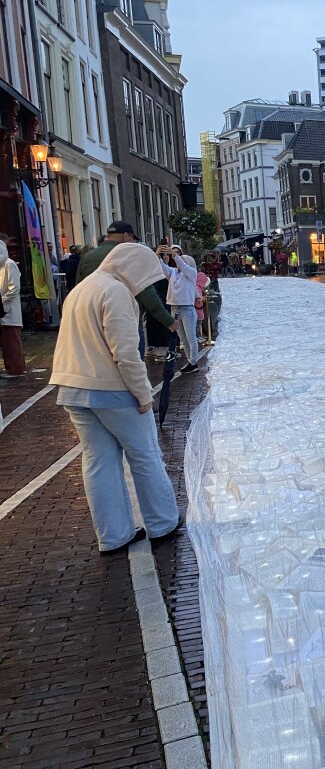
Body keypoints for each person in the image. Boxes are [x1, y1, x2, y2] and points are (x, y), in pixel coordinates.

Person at [49, 242, 181, 553]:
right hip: (111, 388)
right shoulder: (116, 291)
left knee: (98, 461)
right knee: (145, 454)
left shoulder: (81, 290)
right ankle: (163, 522)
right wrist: (143, 394)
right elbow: (125, 353)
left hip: (73, 386)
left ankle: (113, 535)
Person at [78, 222, 177, 354]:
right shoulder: (130, 257)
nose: (133, 243)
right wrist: (169, 321)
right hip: (126, 320)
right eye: (132, 238)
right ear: (125, 236)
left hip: (96, 321)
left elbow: (78, 290)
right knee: (132, 364)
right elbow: (146, 292)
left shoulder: (87, 257)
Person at [158, 244, 200, 374]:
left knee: (191, 337)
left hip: (187, 308)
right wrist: (157, 256)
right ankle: (190, 361)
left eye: (184, 260)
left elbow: (183, 265)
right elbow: (163, 268)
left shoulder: (191, 273)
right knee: (182, 338)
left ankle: (194, 362)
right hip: (174, 308)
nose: (180, 262)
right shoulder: (173, 272)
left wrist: (175, 255)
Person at [0, 236, 25, 377]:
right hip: (4, 309)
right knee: (7, 341)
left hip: (9, 309)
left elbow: (14, 288)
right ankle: (12, 367)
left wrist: (3, 302)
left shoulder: (9, 265)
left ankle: (16, 369)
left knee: (12, 340)